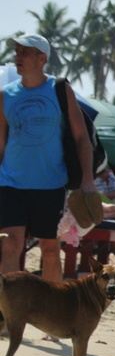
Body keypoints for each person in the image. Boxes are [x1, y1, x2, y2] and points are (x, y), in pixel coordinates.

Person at [0, 34, 94, 282]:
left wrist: (88, 180)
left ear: (42, 58)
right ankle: (8, 312)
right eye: (17, 51)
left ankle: (51, 312)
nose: (17, 56)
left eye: (25, 52)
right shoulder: (5, 95)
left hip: (50, 183)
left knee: (50, 250)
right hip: (11, 182)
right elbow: (0, 143)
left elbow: (82, 139)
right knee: (9, 246)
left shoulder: (59, 89)